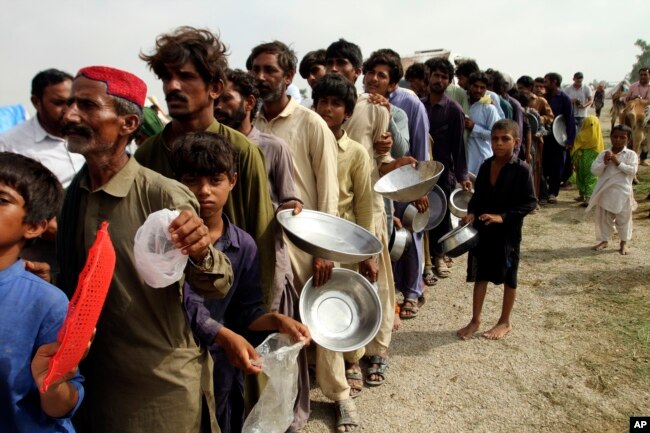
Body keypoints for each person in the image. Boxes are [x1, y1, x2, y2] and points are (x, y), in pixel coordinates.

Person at [56, 66, 233, 433]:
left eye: (87, 106)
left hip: (159, 386)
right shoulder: (76, 193)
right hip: (94, 376)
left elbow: (216, 283)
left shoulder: (162, 194)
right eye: (71, 103)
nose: (70, 114)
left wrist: (201, 250)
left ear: (128, 123)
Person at [170, 131, 311, 433]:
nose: (203, 191)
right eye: (192, 180)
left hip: (221, 369)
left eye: (215, 180)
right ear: (177, 183)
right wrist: (220, 334)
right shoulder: (168, 239)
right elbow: (182, 303)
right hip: (172, 366)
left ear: (232, 181)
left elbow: (245, 313)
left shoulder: (242, 245)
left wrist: (277, 320)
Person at [135, 27, 277, 303]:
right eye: (167, 77)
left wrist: (260, 311)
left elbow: (261, 236)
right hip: (164, 305)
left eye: (186, 76)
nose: (172, 86)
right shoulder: (146, 156)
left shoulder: (243, 151)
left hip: (227, 301)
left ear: (215, 88)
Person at [213, 68, 310, 431]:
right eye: (216, 98)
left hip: (267, 256)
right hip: (224, 258)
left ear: (248, 103)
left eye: (227, 98)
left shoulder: (272, 147)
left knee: (276, 338)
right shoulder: (211, 146)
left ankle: (292, 418)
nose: (219, 105)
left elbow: (291, 199)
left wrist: (289, 208)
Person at [0, 152, 84, 433]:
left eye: (2, 200)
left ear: (35, 226)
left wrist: (52, 382)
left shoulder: (46, 302)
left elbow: (62, 407)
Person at [312, 72, 375, 432]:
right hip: (309, 240)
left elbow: (364, 203)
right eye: (323, 102)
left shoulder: (355, 152)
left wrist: (368, 251)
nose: (328, 109)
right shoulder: (305, 138)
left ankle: (343, 387)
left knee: (338, 310)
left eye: (336, 104)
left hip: (344, 243)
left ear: (348, 112)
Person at [250, 40, 339, 293]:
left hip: (303, 245)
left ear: (288, 77)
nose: (260, 77)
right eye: (255, 70)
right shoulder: (250, 124)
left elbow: (329, 190)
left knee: (308, 321)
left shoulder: (311, 123)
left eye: (269, 70)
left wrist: (323, 250)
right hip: (263, 243)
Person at [457, 119, 536, 341]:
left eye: (505, 139)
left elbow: (530, 203)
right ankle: (475, 320)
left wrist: (503, 217)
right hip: (483, 230)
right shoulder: (485, 165)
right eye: (495, 139)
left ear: (516, 142)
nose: (499, 143)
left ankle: (505, 321)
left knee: (509, 276)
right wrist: (472, 212)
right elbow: (478, 197)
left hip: (507, 234)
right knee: (480, 274)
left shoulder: (521, 169)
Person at [422, 58, 471, 282]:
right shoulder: (419, 106)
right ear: (429, 77)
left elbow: (458, 147)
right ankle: (423, 261)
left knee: (440, 215)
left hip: (443, 172)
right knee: (422, 215)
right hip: (421, 171)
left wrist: (462, 176)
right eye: (436, 75)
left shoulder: (454, 110)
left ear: (449, 81)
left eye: (444, 77)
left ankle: (439, 257)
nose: (439, 80)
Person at [0, 69, 85, 188]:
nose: (69, 111)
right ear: (36, 102)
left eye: (71, 102)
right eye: (58, 103)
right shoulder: (9, 145)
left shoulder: (89, 134)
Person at [586, 125, 638, 255]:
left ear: (628, 139)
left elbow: (633, 171)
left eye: (622, 137)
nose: (618, 140)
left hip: (623, 192)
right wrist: (604, 162)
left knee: (624, 219)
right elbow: (594, 170)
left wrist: (618, 162)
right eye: (615, 137)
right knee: (604, 218)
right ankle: (604, 240)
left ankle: (623, 242)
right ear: (610, 137)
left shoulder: (631, 155)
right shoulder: (604, 153)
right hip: (606, 192)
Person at [543, 72, 576, 204]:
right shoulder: (544, 97)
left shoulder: (564, 98)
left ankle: (553, 193)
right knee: (545, 164)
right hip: (545, 137)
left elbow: (569, 120)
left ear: (554, 82)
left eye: (546, 81)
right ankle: (544, 192)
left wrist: (570, 140)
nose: (544, 84)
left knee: (557, 165)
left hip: (558, 138)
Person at [466, 71, 500, 174]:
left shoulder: (489, 109)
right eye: (475, 86)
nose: (478, 90)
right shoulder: (462, 103)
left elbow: (495, 135)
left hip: (482, 158)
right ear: (469, 86)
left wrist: (474, 127)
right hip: (463, 159)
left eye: (482, 88)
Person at [572, 115, 605, 205]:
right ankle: (582, 194)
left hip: (591, 163)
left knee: (591, 177)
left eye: (593, 125)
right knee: (580, 176)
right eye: (589, 125)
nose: (592, 128)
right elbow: (575, 148)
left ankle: (589, 197)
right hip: (581, 162)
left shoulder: (598, 139)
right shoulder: (581, 135)